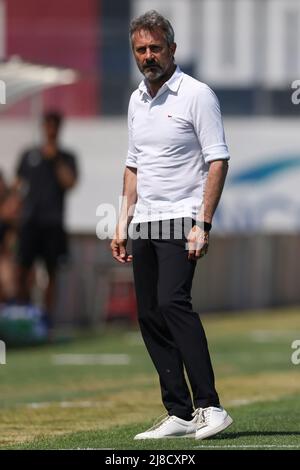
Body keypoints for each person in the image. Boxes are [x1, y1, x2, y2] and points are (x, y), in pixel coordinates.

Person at [110, 10, 232, 440]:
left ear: (172, 49)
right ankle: (179, 412)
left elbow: (217, 159)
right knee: (149, 314)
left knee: (173, 303)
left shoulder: (198, 95)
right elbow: (133, 167)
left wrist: (203, 222)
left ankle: (211, 407)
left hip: (182, 217)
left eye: (155, 48)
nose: (148, 56)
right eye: (141, 50)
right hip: (144, 222)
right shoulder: (135, 99)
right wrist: (123, 222)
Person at [15, 111, 78, 327]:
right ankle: (23, 316)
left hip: (53, 224)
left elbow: (70, 183)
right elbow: (18, 186)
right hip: (29, 223)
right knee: (23, 270)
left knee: (52, 272)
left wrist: (55, 159)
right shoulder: (29, 155)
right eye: (47, 125)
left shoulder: (67, 157)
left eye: (54, 126)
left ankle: (46, 321)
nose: (50, 130)